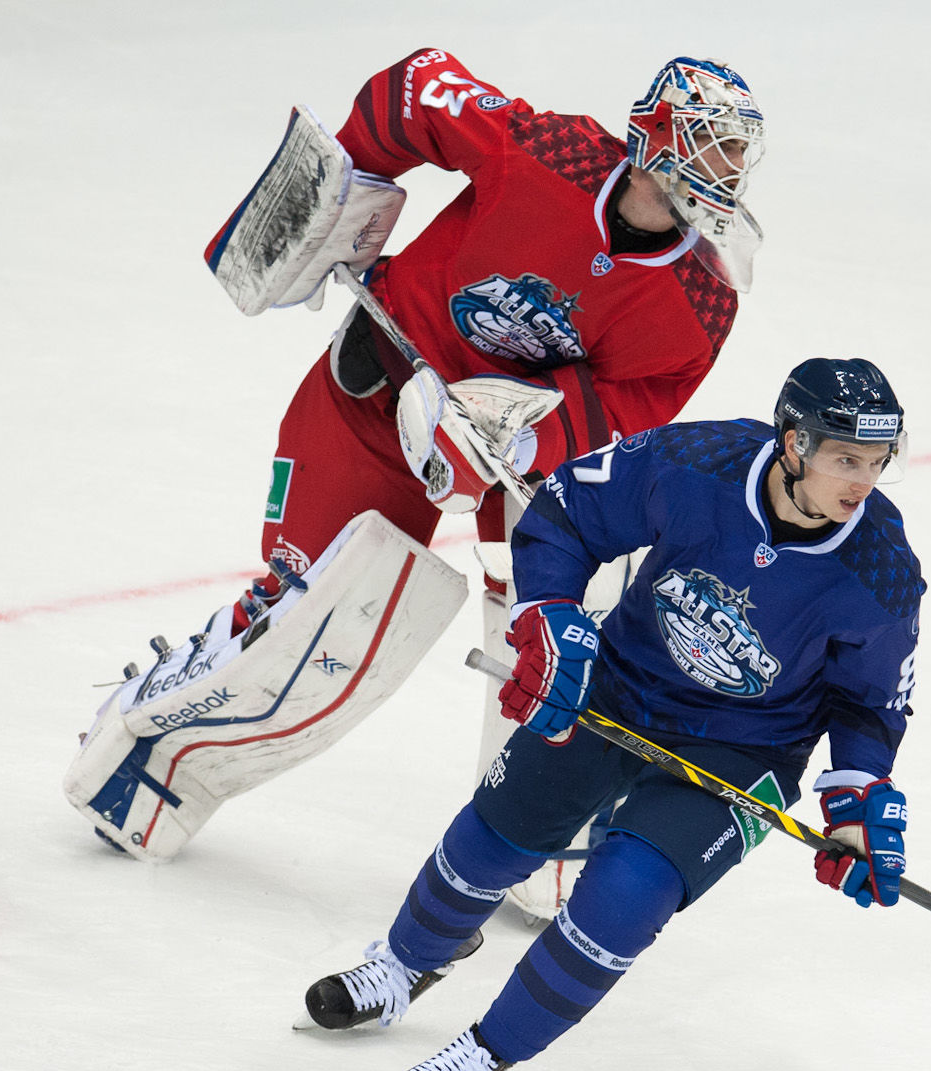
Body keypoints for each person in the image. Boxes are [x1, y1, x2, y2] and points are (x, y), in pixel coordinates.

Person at [62, 51, 767, 865]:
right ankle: (144, 754)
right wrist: (348, 187)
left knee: (569, 622)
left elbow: (635, 407)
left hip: (512, 459)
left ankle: (542, 833)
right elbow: (417, 86)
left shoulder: (703, 297)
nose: (730, 168)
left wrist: (517, 434)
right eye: (715, 142)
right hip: (377, 390)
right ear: (654, 136)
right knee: (316, 609)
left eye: (740, 152)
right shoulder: (555, 154)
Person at [299, 358, 925, 1071]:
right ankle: (403, 964)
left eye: (875, 461)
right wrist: (552, 613)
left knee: (626, 893)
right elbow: (566, 512)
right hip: (623, 686)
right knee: (499, 837)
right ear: (794, 443)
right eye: (845, 458)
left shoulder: (882, 570)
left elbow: (871, 703)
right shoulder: (700, 463)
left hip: (745, 751)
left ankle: (481, 1058)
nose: (863, 480)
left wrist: (860, 794)